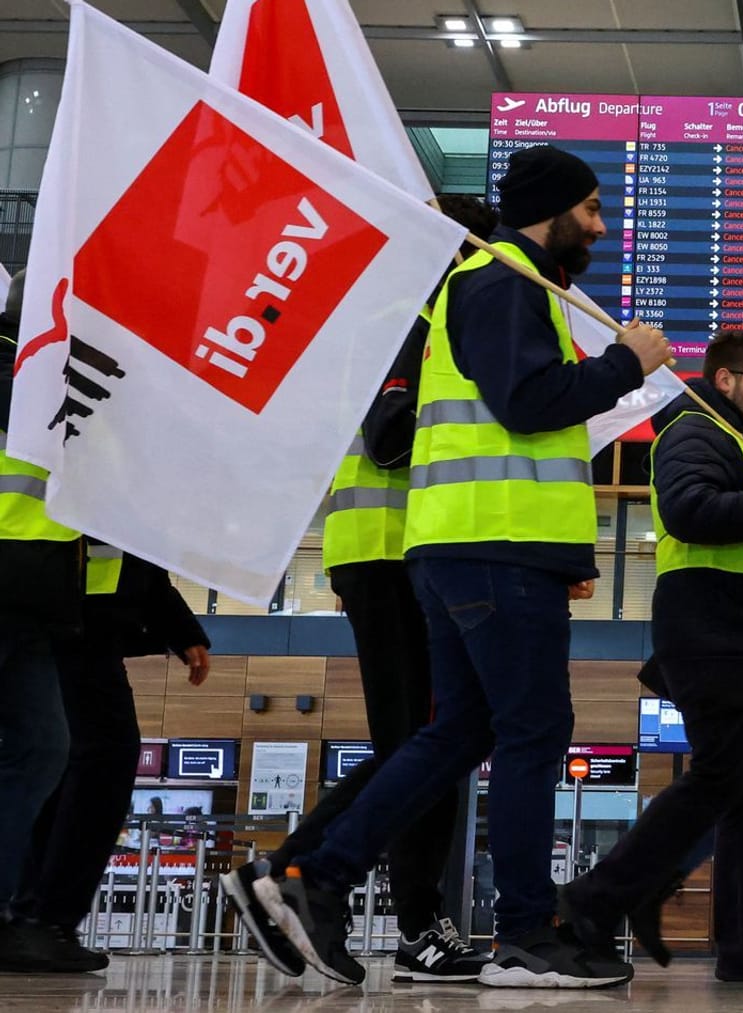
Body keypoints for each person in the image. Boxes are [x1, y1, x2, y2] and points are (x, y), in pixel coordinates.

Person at [240, 144, 670, 989]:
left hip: (462, 548)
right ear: (552, 209)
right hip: (495, 549)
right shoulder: (508, 281)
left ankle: (317, 876)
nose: (600, 224)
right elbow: (529, 402)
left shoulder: (488, 287)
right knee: (533, 733)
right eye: (588, 208)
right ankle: (521, 933)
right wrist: (626, 364)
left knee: (458, 732)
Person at [222, 195, 499, 985]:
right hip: (393, 553)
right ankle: (302, 875)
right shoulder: (411, 318)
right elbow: (388, 436)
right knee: (431, 741)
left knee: (425, 744)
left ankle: (384, 909)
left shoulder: (401, 315)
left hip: (399, 554)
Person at [562, 330, 743, 983]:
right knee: (723, 776)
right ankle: (598, 897)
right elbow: (692, 511)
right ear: (726, 380)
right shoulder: (695, 433)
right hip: (710, 628)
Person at [7, 541, 210, 973]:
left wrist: (181, 627)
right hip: (67, 618)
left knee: (54, 765)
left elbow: (129, 549)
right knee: (89, 766)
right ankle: (40, 919)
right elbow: (123, 538)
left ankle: (32, 916)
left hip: (65, 616)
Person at [0, 268, 81, 973]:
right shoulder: (18, 372)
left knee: (43, 747)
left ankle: (5, 911)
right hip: (10, 580)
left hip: (31, 596)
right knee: (40, 747)